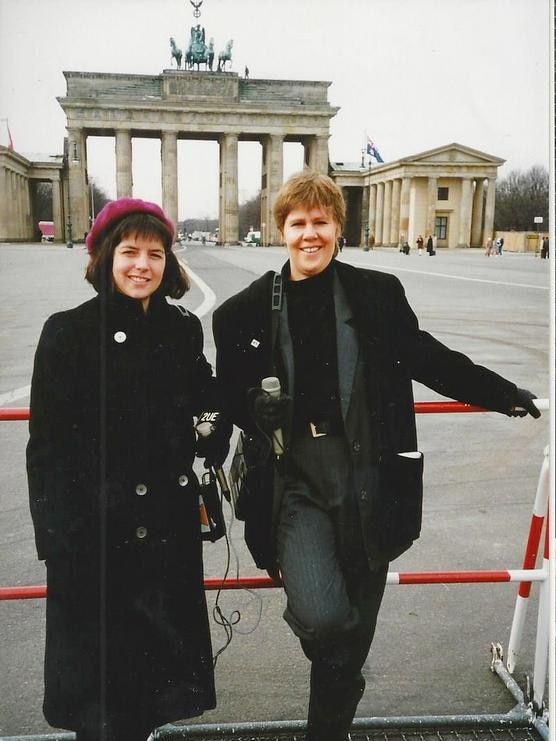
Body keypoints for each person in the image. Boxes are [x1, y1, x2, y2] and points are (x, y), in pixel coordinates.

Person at [212, 171, 541, 741]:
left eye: (321, 222)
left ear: (339, 227)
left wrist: (502, 393)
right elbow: (229, 396)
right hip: (295, 482)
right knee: (322, 616)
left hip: (371, 477)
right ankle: (342, 682)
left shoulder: (374, 294)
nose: (309, 234)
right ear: (281, 230)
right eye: (298, 224)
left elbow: (427, 357)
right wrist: (250, 408)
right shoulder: (244, 311)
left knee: (352, 629)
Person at [27, 198, 230, 741]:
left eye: (155, 254)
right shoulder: (67, 332)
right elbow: (43, 446)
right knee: (99, 702)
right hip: (94, 540)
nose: (142, 265)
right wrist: (58, 539)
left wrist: (213, 427)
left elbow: (206, 392)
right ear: (104, 257)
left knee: (145, 696)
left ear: (169, 264)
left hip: (164, 533)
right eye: (130, 251)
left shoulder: (182, 328)